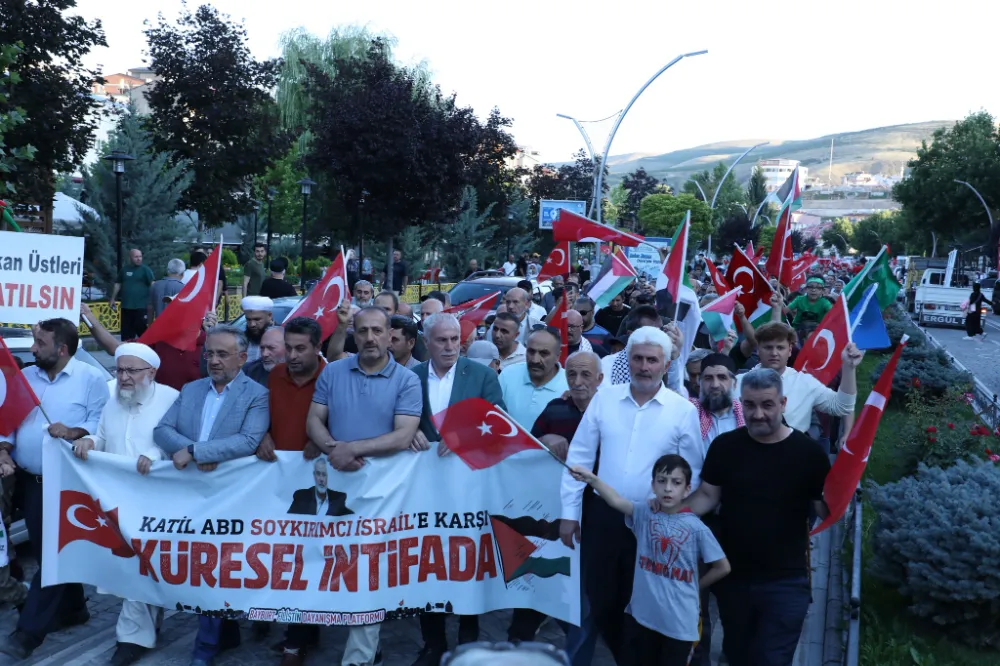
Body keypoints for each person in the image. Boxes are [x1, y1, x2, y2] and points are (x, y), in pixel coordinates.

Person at [560, 326, 702, 663]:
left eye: (652, 360)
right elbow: (579, 457)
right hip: (603, 519)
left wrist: (672, 513)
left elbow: (693, 472)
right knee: (601, 597)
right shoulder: (605, 399)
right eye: (637, 358)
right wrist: (569, 512)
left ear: (665, 365)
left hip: (653, 524)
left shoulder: (683, 411)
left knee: (641, 602)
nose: (643, 366)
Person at [684, 367, 831, 666]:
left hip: (786, 581)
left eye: (767, 405)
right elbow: (707, 497)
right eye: (749, 405)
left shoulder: (809, 453)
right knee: (738, 654)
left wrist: (843, 485)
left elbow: (825, 509)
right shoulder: (725, 447)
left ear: (783, 403)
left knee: (771, 659)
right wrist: (664, 514)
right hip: (734, 578)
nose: (758, 414)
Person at [306, 306, 422, 666]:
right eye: (362, 331)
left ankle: (358, 657)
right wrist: (333, 449)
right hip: (335, 486)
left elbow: (404, 434)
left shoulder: (407, 380)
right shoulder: (334, 372)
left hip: (384, 492)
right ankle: (367, 647)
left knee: (368, 571)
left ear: (390, 335)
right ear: (353, 335)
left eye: (377, 330)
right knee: (330, 565)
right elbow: (314, 419)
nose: (370, 338)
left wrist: (351, 448)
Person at [154, 325, 270, 666]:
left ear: (242, 358)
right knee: (201, 569)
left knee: (216, 572)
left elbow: (249, 440)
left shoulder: (256, 394)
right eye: (209, 354)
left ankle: (204, 648)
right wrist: (192, 452)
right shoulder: (190, 389)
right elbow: (162, 430)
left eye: (222, 354)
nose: (214, 361)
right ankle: (225, 633)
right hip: (190, 495)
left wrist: (196, 450)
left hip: (231, 498)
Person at [0, 319, 109, 660]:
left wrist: (76, 431)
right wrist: (3, 448)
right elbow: (9, 421)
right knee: (53, 552)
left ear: (62, 349)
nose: (32, 349)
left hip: (69, 486)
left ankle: (28, 633)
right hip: (31, 484)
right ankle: (74, 608)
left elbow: (101, 424)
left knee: (55, 556)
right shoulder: (27, 377)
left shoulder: (91, 380)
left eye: (40, 343)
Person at [71, 343, 179, 666]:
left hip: (157, 503)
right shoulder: (112, 402)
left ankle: (131, 639)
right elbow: (102, 435)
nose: (124, 377)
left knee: (141, 569)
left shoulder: (172, 399)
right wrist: (89, 441)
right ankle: (148, 622)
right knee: (130, 569)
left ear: (152, 372)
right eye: (120, 370)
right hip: (117, 503)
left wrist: (156, 456)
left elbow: (179, 443)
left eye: (132, 371)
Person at [407, 313, 505, 665]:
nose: (449, 346)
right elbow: (397, 419)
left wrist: (462, 436)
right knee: (426, 562)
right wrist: (407, 433)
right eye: (441, 340)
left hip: (469, 489)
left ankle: (468, 638)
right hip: (423, 492)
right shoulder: (410, 377)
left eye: (454, 340)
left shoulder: (482, 375)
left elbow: (500, 424)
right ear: (426, 342)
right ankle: (432, 642)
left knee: (467, 562)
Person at [571, 455, 730, 666]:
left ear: (687, 489)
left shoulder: (696, 528)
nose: (668, 488)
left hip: (678, 626)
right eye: (662, 481)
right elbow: (617, 500)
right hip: (641, 618)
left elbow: (722, 566)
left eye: (676, 482)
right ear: (652, 485)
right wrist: (592, 479)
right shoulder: (645, 514)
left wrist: (696, 586)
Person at [505, 351, 602, 652]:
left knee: (583, 596)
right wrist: (545, 441)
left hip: (595, 518)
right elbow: (528, 451)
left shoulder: (611, 412)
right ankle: (519, 642)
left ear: (600, 379)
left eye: (586, 375)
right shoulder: (555, 408)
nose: (577, 381)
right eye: (572, 374)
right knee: (541, 578)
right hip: (550, 515)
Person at [738, 322, 860, 434]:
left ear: (790, 350)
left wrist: (849, 368)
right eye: (768, 347)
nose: (774, 353)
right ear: (758, 350)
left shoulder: (805, 382)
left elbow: (842, 407)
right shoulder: (737, 382)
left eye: (780, 348)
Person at [82, 302, 217, 391]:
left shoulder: (210, 345)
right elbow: (115, 348)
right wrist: (88, 316)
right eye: (171, 308)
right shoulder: (159, 340)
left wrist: (214, 336)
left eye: (179, 309)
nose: (171, 313)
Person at [499, 327, 569, 431]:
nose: (535, 360)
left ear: (558, 356)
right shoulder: (508, 375)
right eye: (531, 352)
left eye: (544, 354)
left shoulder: (569, 385)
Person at [110, 248, 155, 340]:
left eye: (140, 256)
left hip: (141, 306)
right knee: (126, 332)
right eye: (136, 257)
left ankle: (147, 348)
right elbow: (118, 284)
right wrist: (112, 299)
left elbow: (152, 284)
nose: (139, 259)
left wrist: (152, 300)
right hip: (126, 306)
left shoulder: (145, 270)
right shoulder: (124, 270)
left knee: (142, 330)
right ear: (130, 257)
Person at [288, 458, 352, 516]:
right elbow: (288, 519)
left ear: (328, 477)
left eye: (324, 475)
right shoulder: (302, 497)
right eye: (318, 474)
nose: (321, 479)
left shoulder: (339, 498)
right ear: (314, 475)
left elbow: (352, 518)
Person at [241, 296, 275, 362]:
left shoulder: (282, 336)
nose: (252, 324)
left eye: (257, 319)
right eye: (248, 320)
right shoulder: (241, 339)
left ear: (269, 316)